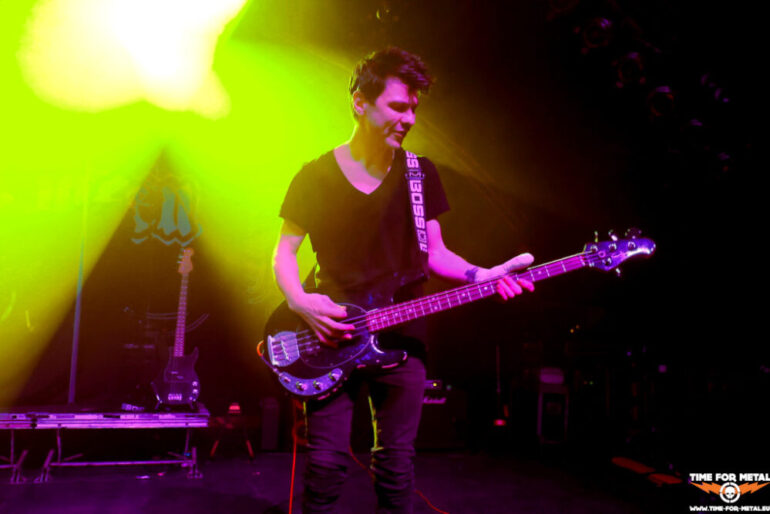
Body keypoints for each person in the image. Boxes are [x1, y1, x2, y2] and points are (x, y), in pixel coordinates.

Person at [273, 46, 534, 513]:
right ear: (360, 103)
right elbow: (284, 253)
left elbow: (436, 253)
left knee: (396, 466)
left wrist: (484, 274)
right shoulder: (314, 176)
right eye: (398, 106)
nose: (409, 118)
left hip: (404, 335)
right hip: (333, 332)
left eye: (414, 108)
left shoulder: (420, 173)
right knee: (325, 466)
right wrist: (299, 301)